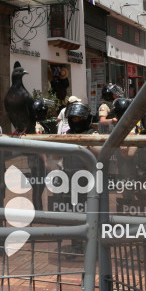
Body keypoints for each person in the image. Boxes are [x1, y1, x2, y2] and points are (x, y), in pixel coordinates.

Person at [59, 102, 99, 256]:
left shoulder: (92, 134)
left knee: (92, 214)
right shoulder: (66, 134)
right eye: (73, 118)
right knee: (74, 214)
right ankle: (76, 245)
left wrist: (85, 145)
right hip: (70, 180)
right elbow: (55, 155)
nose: (75, 121)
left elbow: (100, 154)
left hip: (89, 182)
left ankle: (93, 246)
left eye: (78, 118)